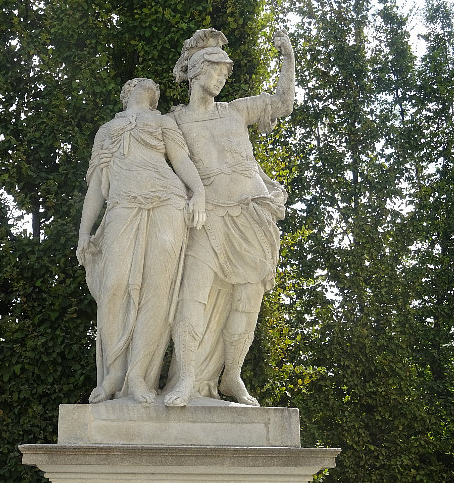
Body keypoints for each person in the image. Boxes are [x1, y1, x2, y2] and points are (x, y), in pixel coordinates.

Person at [163, 28, 295, 406]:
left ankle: (232, 376)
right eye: (217, 69)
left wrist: (287, 57)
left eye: (226, 71)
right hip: (207, 218)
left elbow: (283, 102)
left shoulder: (236, 110)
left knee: (247, 302)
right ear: (197, 71)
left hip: (254, 216)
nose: (223, 76)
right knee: (192, 295)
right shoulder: (174, 121)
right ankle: (186, 377)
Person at [77, 78, 206, 404]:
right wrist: (83, 232)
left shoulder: (163, 122)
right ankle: (114, 374)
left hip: (167, 202)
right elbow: (95, 188)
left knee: (156, 289)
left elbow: (180, 161)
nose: (148, 86)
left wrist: (199, 191)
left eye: (153, 86)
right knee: (113, 287)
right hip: (122, 205)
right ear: (126, 93)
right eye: (139, 83)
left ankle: (137, 374)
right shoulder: (106, 131)